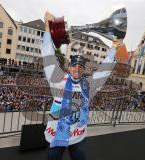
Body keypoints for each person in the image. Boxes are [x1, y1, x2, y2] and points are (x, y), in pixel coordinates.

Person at [41, 11, 120, 160]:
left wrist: (114, 48)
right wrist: (46, 28)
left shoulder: (88, 84)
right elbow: (48, 56)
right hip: (56, 134)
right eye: (74, 66)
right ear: (69, 67)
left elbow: (104, 71)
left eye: (80, 67)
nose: (77, 69)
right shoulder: (57, 79)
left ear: (84, 70)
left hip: (77, 136)